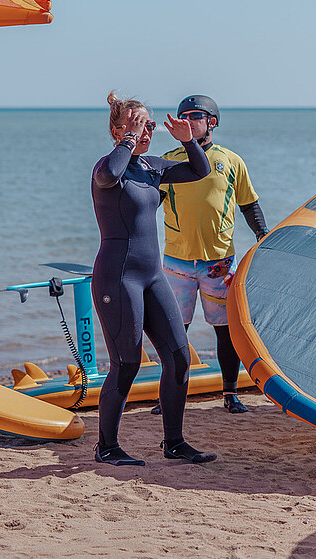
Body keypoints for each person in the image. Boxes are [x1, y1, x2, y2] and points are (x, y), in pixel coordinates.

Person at [91, 92, 214, 466]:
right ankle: (106, 447)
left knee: (178, 358)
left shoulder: (153, 168)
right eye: (136, 124)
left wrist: (188, 140)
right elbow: (110, 174)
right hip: (117, 278)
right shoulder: (106, 167)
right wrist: (128, 139)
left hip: (151, 277)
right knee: (126, 364)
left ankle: (173, 442)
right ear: (117, 131)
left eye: (148, 124)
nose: (146, 130)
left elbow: (200, 171)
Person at [157, 94, 268, 414]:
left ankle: (230, 393)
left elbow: (249, 203)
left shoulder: (231, 160)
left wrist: (263, 236)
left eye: (196, 116)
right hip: (177, 263)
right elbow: (147, 203)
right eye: (183, 117)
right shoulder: (168, 160)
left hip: (219, 263)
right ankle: (170, 395)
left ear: (212, 122)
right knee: (174, 333)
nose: (189, 121)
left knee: (225, 331)